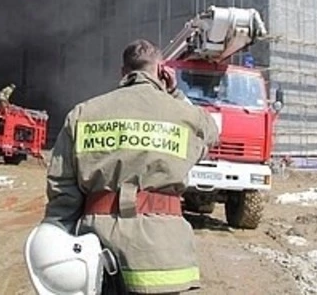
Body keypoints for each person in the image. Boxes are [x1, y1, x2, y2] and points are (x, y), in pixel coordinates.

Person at [37, 39, 220, 294]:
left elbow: (62, 186)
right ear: (161, 70)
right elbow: (212, 132)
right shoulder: (185, 114)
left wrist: (56, 235)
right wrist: (175, 93)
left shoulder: (83, 113)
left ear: (123, 72)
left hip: (99, 252)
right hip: (162, 256)